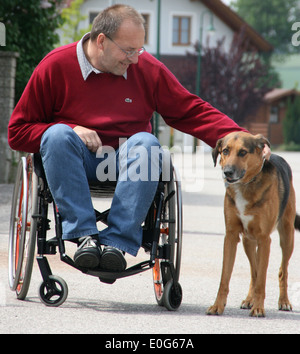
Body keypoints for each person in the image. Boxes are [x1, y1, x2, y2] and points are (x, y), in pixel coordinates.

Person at [8, 4, 270, 272]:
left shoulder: (146, 69)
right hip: (73, 161)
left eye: (139, 50)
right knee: (57, 134)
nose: (134, 59)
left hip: (130, 163)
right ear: (101, 42)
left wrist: (239, 138)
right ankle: (83, 235)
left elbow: (189, 110)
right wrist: (71, 128)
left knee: (147, 143)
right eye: (128, 50)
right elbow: (17, 132)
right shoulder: (55, 66)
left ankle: (117, 243)